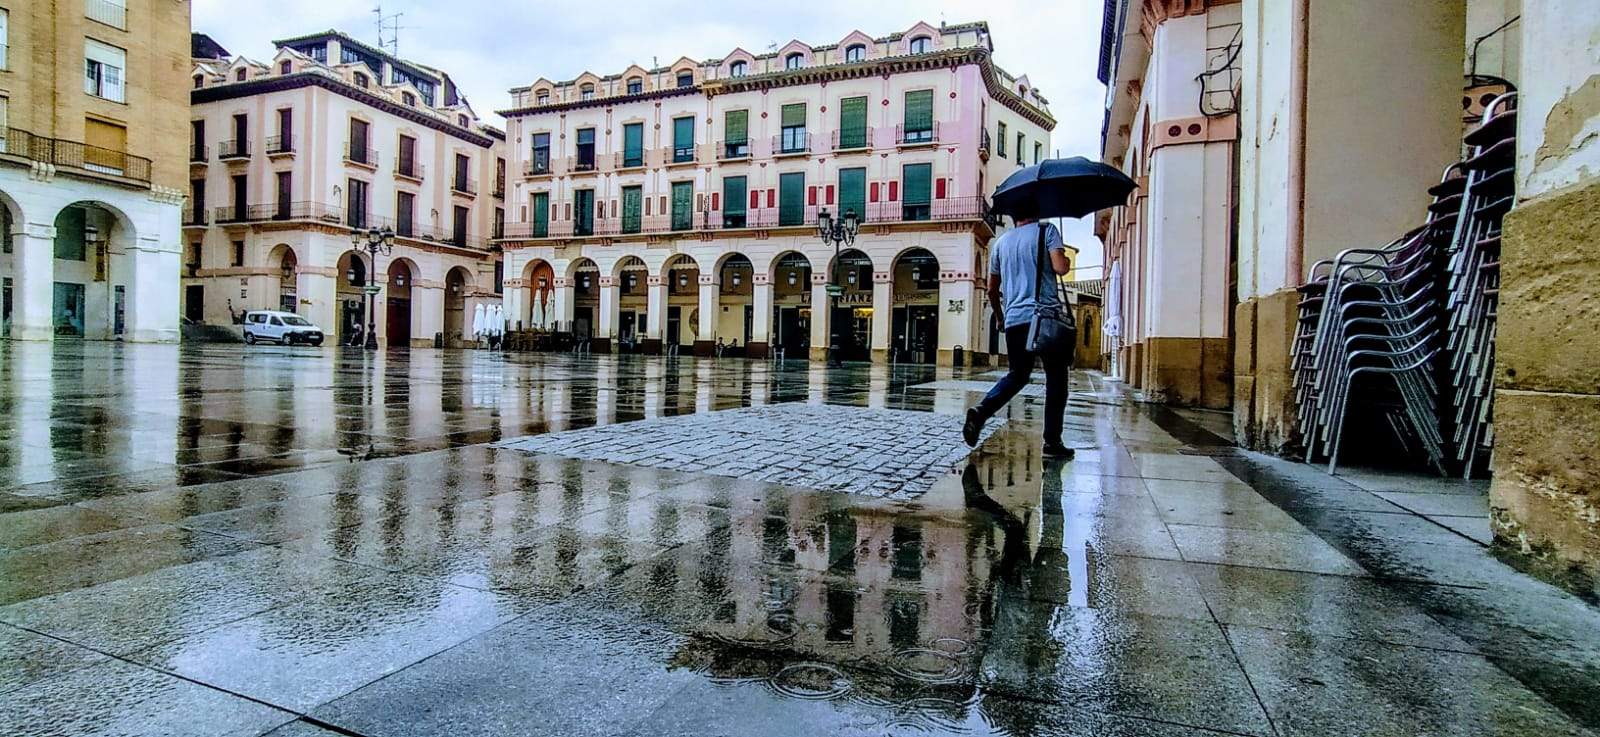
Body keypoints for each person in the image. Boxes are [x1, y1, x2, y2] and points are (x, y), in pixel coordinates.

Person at [962, 217, 1074, 460]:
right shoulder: (1048, 230)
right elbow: (1061, 267)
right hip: (1045, 317)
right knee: (1057, 379)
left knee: (1017, 375)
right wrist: (1063, 257)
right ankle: (1052, 442)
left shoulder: (1001, 243)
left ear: (1013, 216)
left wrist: (1001, 317)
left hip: (1015, 320)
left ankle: (981, 412)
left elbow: (992, 290)